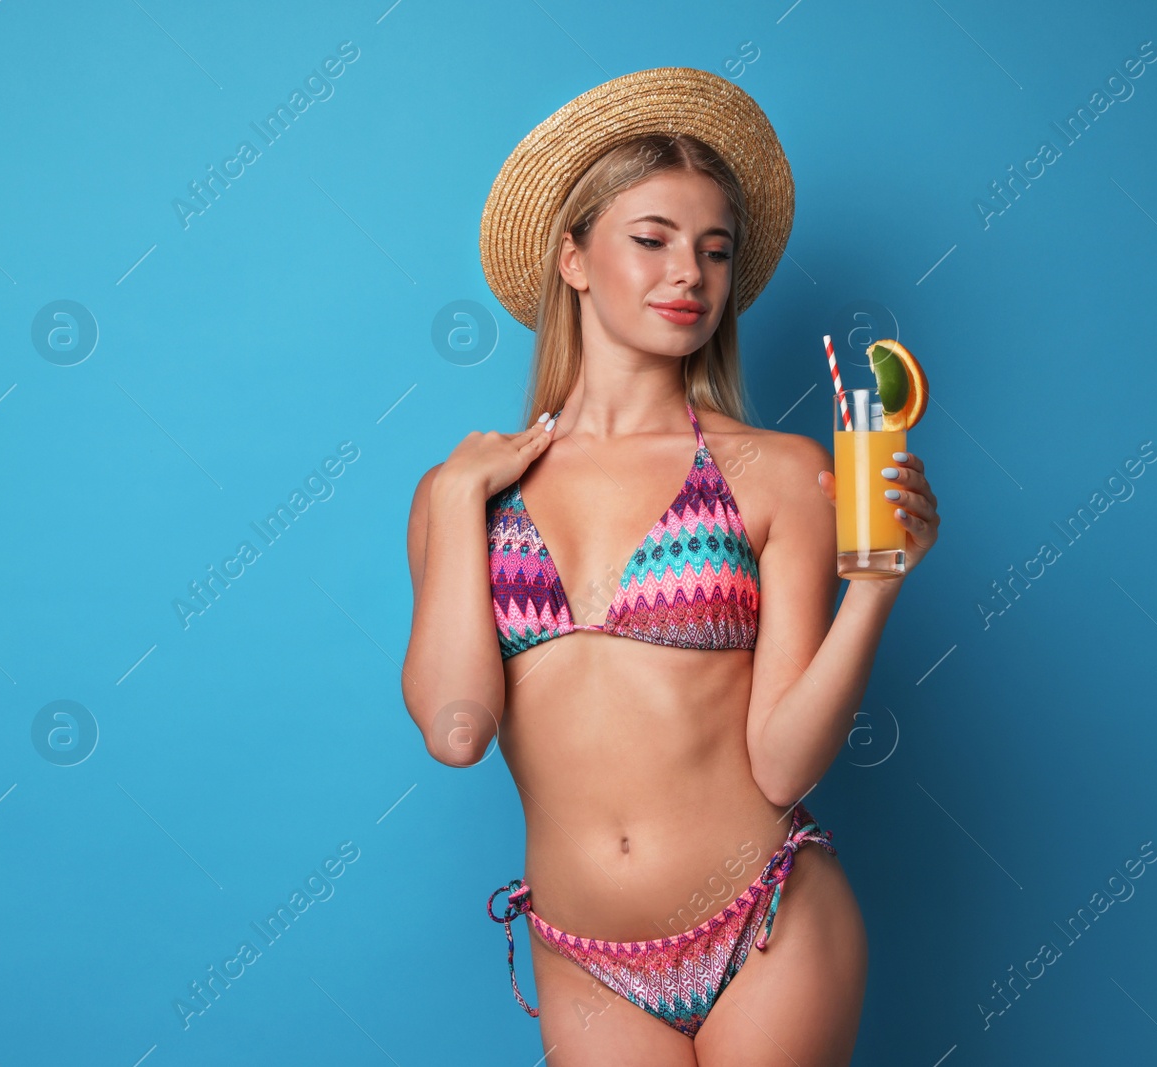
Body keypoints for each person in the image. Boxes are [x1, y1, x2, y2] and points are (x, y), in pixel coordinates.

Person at [402, 67, 939, 1065]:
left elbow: (781, 760)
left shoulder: (777, 472)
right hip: (585, 954)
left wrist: (875, 588)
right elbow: (455, 726)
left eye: (713, 249)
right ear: (573, 256)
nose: (687, 272)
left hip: (767, 918)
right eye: (651, 239)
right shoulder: (465, 493)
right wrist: (449, 503)